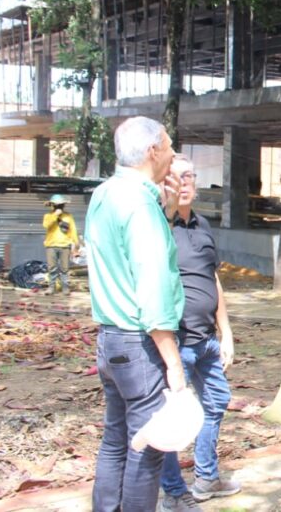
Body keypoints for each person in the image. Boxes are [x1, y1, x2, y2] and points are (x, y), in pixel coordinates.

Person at [86, 116, 187, 512]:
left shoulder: (105, 193)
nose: (173, 153)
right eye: (169, 145)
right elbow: (153, 288)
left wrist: (168, 209)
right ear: (152, 151)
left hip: (110, 339)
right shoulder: (140, 205)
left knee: (116, 440)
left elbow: (121, 256)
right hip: (140, 343)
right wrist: (174, 362)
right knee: (149, 448)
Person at [160, 155, 241, 511]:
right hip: (174, 341)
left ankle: (206, 477)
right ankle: (173, 492)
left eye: (190, 176)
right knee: (172, 420)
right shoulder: (158, 228)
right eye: (177, 177)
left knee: (217, 403)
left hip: (207, 340)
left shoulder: (203, 226)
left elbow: (213, 279)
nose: (185, 183)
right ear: (165, 183)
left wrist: (226, 332)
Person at [42, 194, 80, 294]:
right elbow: (46, 225)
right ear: (52, 206)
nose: (58, 207)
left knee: (65, 268)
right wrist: (55, 215)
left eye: (60, 205)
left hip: (65, 246)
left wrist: (76, 244)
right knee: (52, 268)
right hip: (51, 245)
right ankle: (51, 287)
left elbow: (73, 230)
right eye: (56, 205)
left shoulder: (68, 216)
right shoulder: (48, 216)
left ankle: (65, 288)